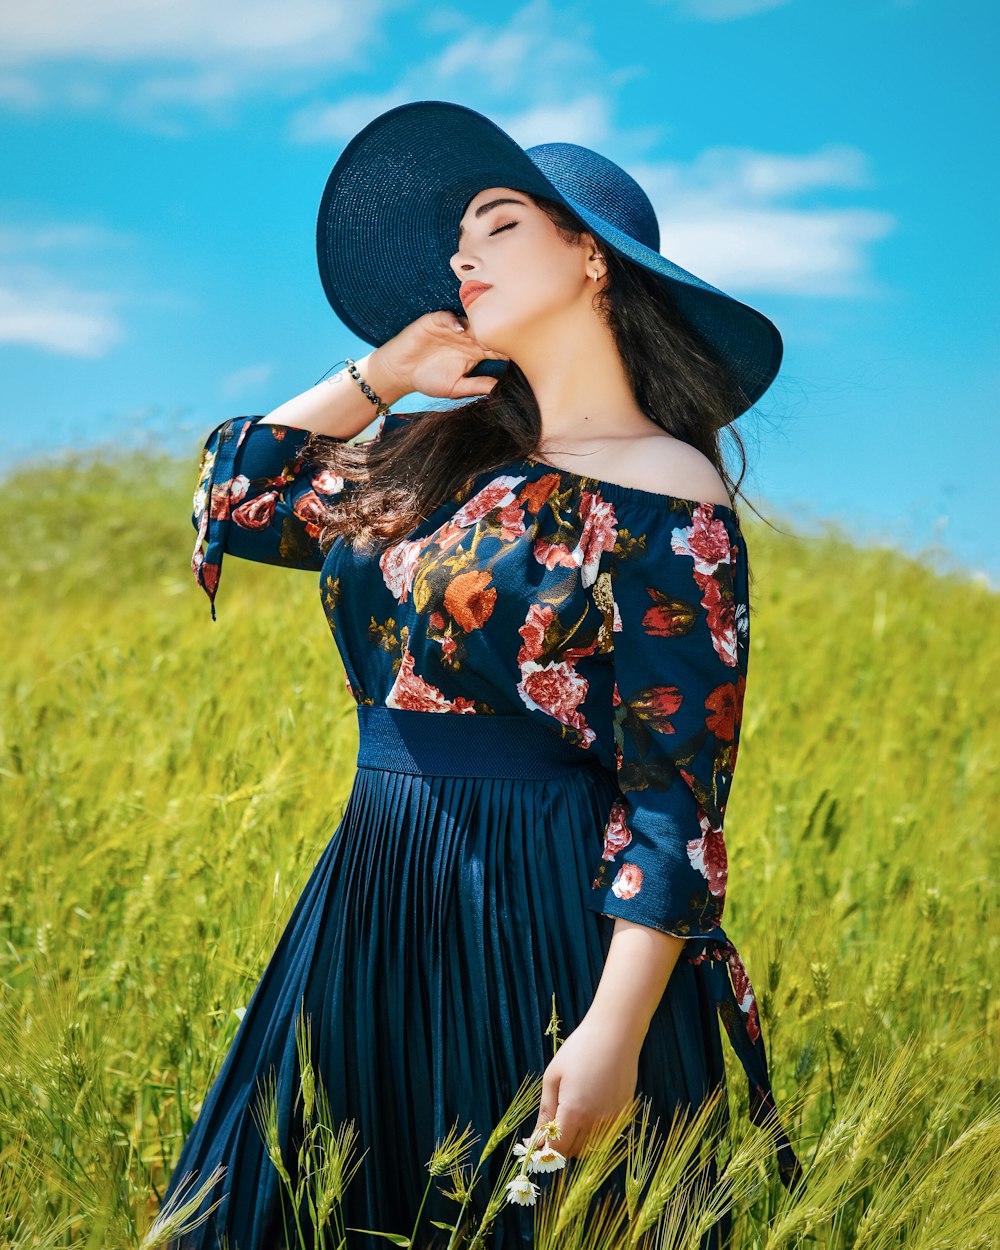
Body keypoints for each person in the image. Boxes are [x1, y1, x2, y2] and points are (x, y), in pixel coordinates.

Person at [165, 101, 802, 1250]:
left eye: (497, 224)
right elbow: (231, 493)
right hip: (370, 881)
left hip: (541, 894)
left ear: (593, 258)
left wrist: (614, 1030)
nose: (460, 255)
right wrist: (389, 368)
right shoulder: (425, 457)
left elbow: (677, 794)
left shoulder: (664, 488)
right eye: (459, 238)